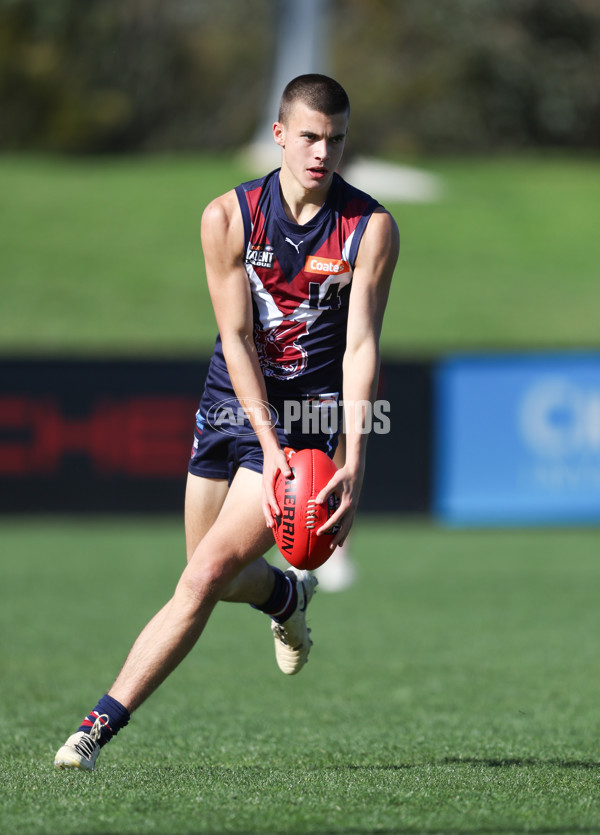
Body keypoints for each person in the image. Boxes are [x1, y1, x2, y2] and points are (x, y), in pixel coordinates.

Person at [54, 74, 399, 771]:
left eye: (335, 139)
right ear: (278, 135)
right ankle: (284, 591)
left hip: (306, 421)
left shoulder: (370, 227)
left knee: (204, 572)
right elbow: (237, 338)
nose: (321, 152)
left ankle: (93, 729)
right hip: (229, 405)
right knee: (204, 573)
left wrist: (353, 461)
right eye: (308, 136)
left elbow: (362, 345)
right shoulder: (228, 217)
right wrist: (260, 442)